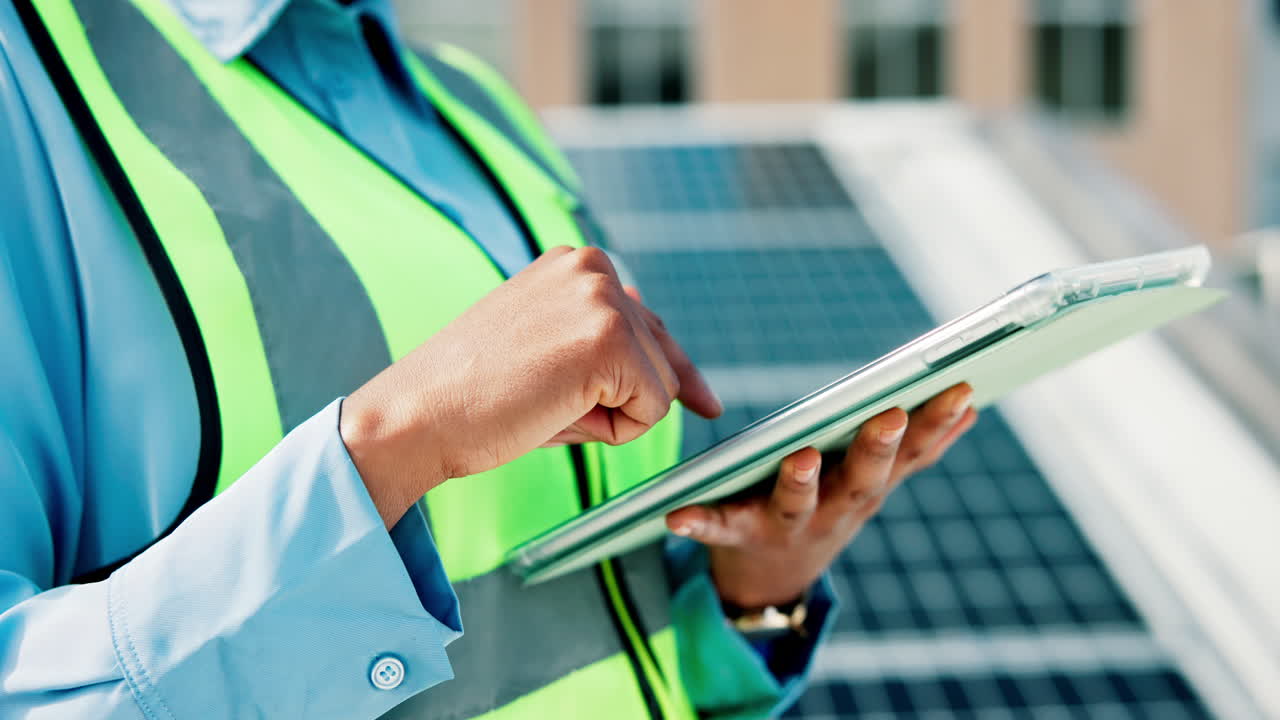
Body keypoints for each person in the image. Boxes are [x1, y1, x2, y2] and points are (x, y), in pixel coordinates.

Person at [0, 0, 978, 718]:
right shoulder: (24, 89)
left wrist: (752, 596)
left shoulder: (471, 104)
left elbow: (566, 645)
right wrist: (402, 440)